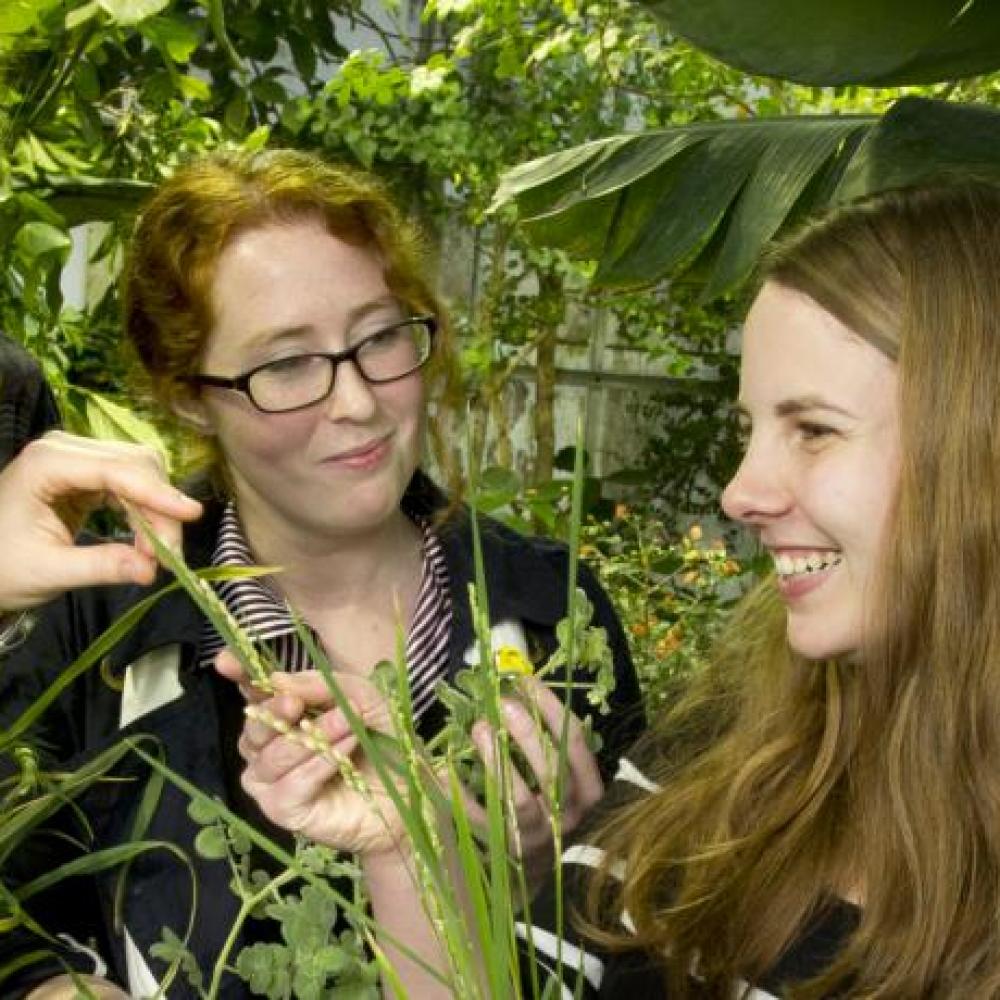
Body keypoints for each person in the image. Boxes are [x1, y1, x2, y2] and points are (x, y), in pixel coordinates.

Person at [0, 148, 643, 1000]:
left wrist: (545, 879)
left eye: (379, 336)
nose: (358, 401)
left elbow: (650, 930)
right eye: (286, 364)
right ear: (189, 393)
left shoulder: (549, 609)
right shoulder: (103, 618)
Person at [507, 180, 1000, 997]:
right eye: (751, 429)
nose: (740, 493)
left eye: (813, 430)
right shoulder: (719, 757)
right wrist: (404, 842)